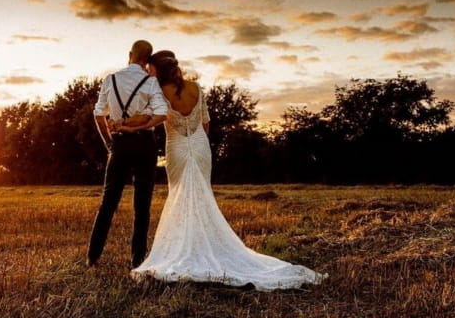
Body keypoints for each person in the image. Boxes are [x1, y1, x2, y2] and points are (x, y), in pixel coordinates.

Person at [119, 51, 326, 290]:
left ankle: (187, 249)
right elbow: (205, 123)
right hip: (200, 145)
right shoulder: (195, 88)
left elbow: (147, 118)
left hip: (176, 146)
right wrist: (198, 145)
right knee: (202, 195)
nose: (148, 72)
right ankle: (202, 244)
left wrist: (124, 124)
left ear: (158, 71)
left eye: (150, 68)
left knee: (179, 196)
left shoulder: (156, 92)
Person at [88, 40, 168, 268]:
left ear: (130, 54)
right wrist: (139, 126)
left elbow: (98, 114)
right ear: (148, 59)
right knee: (142, 206)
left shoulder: (110, 79)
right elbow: (161, 113)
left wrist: (109, 143)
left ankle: (93, 258)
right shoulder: (151, 82)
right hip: (145, 145)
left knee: (108, 203)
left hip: (119, 145)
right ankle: (137, 261)